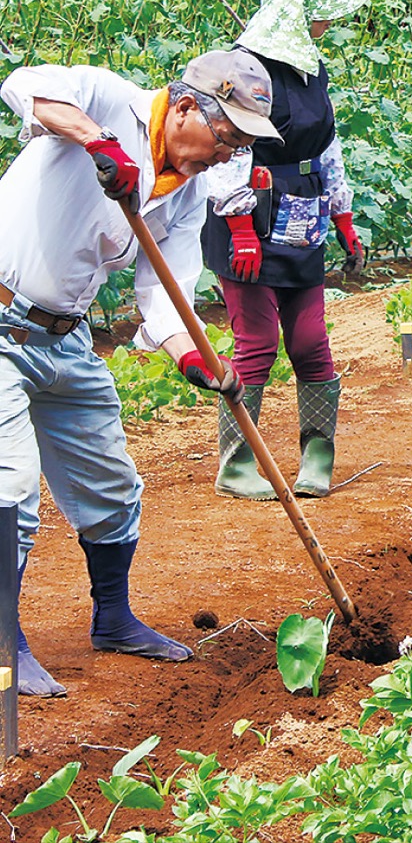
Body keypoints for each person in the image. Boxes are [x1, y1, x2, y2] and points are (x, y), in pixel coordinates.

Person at [0, 49, 280, 697]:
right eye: (226, 137)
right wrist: (98, 142)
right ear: (184, 107)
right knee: (11, 487)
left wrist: (195, 358)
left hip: (65, 336)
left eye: (239, 147)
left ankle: (113, 618)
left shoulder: (186, 193)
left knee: (111, 485)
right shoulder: (104, 98)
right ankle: (4, 641)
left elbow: (165, 293)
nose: (227, 155)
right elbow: (23, 85)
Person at [202, 0, 371, 501]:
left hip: (302, 214)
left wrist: (343, 215)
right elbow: (224, 148)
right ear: (300, 6)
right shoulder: (243, 68)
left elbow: (327, 145)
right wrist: (240, 227)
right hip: (248, 216)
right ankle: (236, 464)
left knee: (309, 339)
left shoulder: (310, 68)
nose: (329, 22)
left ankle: (317, 455)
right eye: (323, 11)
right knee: (256, 341)